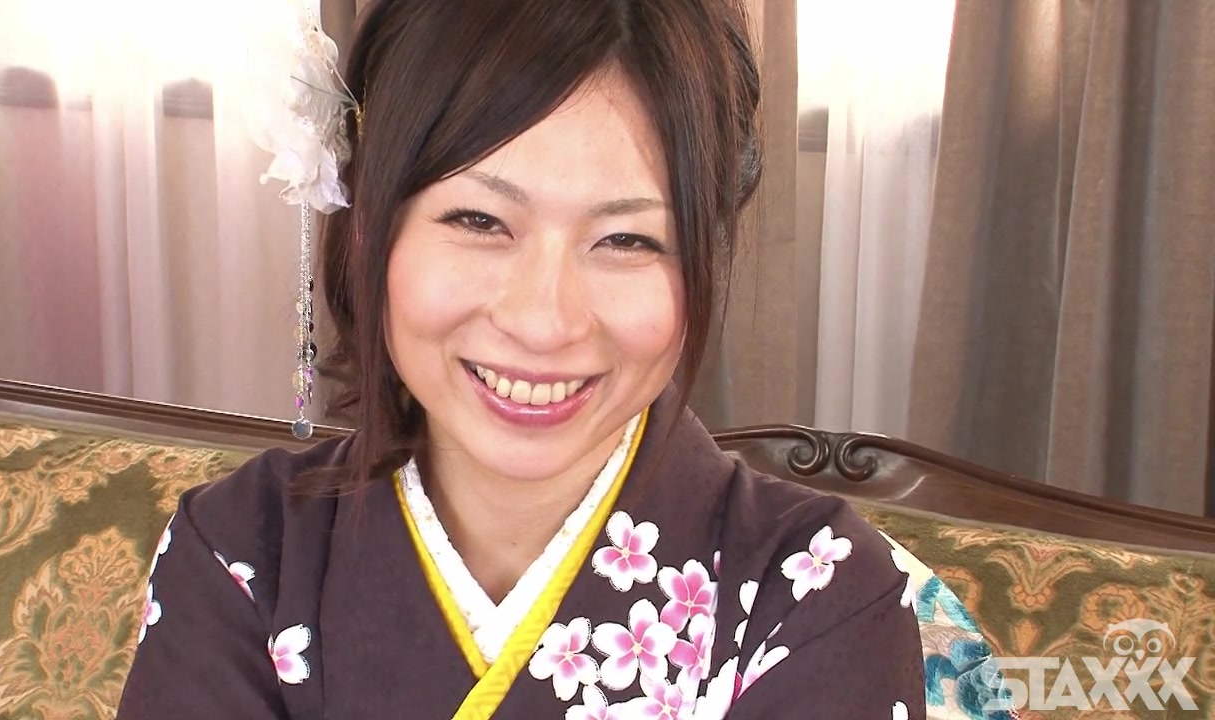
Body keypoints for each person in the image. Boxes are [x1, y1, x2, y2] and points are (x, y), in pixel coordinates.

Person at [116, 0, 930, 717]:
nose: (544, 322)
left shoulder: (818, 594)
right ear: (368, 229)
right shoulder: (242, 553)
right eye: (478, 221)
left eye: (627, 239)